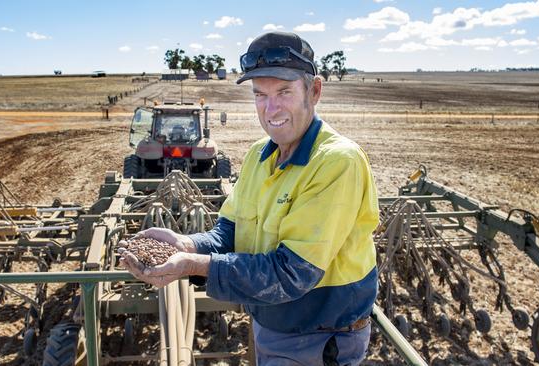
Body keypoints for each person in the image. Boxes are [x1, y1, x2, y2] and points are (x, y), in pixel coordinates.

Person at [119, 31, 379, 365]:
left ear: (313, 91)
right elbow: (228, 233)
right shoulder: (260, 155)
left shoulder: (336, 162)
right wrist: (186, 244)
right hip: (271, 323)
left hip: (318, 339)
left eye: (284, 92)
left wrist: (191, 266)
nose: (271, 109)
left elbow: (292, 274)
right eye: (260, 95)